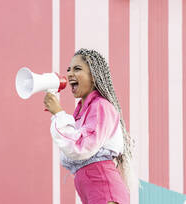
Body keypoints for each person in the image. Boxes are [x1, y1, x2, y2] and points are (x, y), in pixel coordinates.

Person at [43, 48, 133, 204]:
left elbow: (81, 147)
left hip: (105, 190)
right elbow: (71, 151)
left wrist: (59, 114)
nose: (70, 73)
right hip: (95, 191)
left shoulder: (100, 106)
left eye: (77, 69)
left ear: (94, 76)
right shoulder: (82, 114)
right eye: (68, 69)